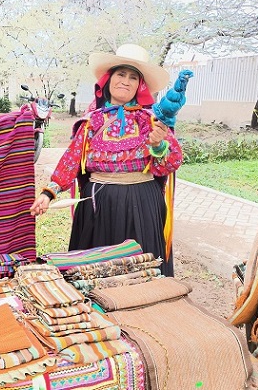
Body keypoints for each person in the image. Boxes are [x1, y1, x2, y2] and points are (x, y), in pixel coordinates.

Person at [30, 44, 186, 276]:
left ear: (139, 86)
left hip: (141, 204)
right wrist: (48, 193)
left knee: (141, 270)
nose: (126, 81)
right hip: (98, 207)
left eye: (133, 77)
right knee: (96, 273)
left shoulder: (150, 121)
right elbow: (71, 159)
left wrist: (158, 145)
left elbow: (171, 162)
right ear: (108, 80)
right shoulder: (91, 121)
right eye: (120, 74)